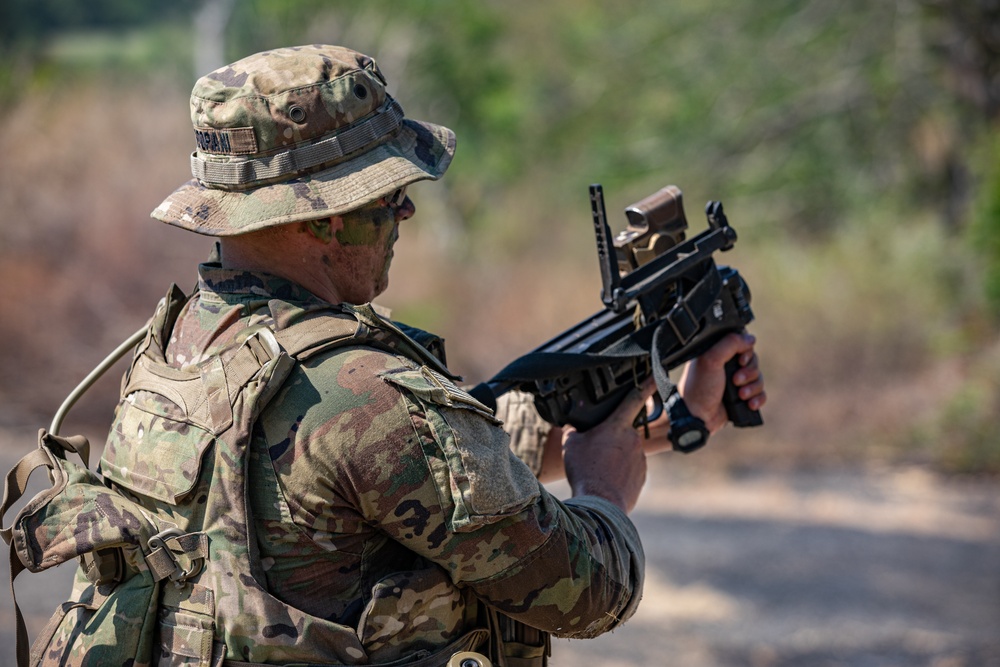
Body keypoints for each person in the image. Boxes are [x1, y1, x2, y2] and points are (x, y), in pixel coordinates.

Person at [108, 44, 765, 667]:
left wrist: (665, 421)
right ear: (326, 214)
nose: (408, 213)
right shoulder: (362, 391)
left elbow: (399, 478)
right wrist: (606, 493)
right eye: (391, 195)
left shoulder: (176, 346)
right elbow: (587, 591)